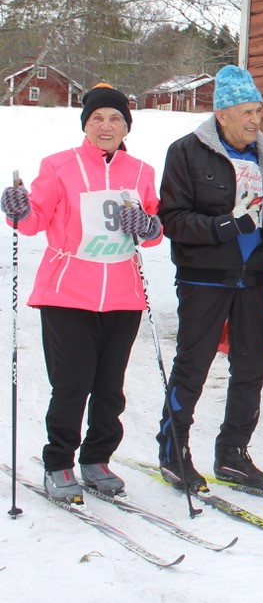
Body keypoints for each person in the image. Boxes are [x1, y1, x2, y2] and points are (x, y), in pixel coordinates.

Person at [1, 84, 162, 501]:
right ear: (85, 125)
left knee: (110, 386)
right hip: (66, 293)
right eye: (97, 119)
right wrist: (17, 208)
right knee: (72, 384)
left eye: (115, 119)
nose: (106, 126)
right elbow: (34, 220)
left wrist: (147, 227)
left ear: (127, 126)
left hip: (123, 296)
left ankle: (97, 458)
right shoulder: (59, 166)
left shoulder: (141, 171)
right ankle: (58, 463)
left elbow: (154, 225)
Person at [154, 65, 263, 492]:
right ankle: (173, 448)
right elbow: (173, 219)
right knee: (193, 365)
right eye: (246, 112)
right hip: (205, 277)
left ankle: (233, 453)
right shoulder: (186, 151)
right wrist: (227, 226)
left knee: (251, 368)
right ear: (221, 114)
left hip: (253, 274)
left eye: (258, 110)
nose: (255, 120)